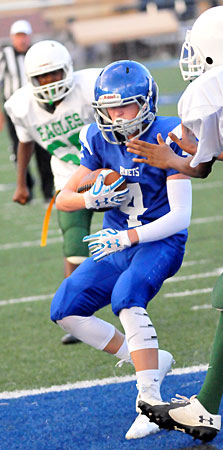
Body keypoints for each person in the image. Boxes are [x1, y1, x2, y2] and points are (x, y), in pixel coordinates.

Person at [125, 5, 223, 443]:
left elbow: (201, 166)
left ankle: (207, 409)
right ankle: (206, 407)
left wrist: (172, 158)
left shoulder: (211, 91)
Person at [50, 60, 192, 439]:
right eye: (110, 107)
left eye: (125, 105)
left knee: (127, 297)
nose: (117, 115)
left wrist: (128, 238)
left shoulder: (169, 134)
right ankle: (147, 360)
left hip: (158, 239)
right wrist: (88, 203)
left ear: (146, 101)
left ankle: (149, 401)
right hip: (116, 240)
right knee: (65, 309)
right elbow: (63, 197)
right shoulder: (96, 138)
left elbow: (181, 216)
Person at [4, 40, 101, 344]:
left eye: (54, 74)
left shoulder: (90, 87)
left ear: (68, 70)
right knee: (74, 243)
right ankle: (76, 314)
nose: (49, 82)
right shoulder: (20, 106)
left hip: (109, 166)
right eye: (42, 77)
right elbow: (25, 143)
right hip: (69, 175)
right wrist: (22, 183)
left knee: (134, 231)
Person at [0, 20, 54, 202]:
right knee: (19, 149)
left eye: (24, 36)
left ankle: (48, 192)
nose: (21, 40)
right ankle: (26, 187)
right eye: (18, 36)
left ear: (29, 37)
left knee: (44, 149)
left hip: (38, 108)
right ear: (13, 37)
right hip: (14, 111)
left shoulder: (36, 54)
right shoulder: (4, 55)